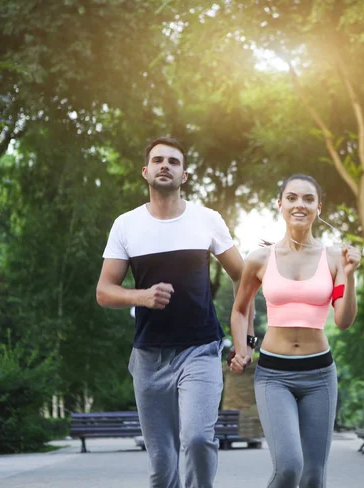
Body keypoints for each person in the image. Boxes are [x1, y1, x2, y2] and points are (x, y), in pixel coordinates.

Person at [96, 136, 251, 488]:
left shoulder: (206, 219)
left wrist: (246, 339)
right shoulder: (126, 225)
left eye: (174, 161)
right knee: (162, 464)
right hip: (149, 356)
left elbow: (245, 278)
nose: (165, 165)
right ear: (146, 171)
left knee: (197, 439)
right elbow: (104, 292)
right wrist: (143, 296)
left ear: (184, 176)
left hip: (200, 349)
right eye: (158, 160)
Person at [229, 174, 360, 488]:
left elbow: (342, 320)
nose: (299, 204)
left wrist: (351, 275)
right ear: (280, 204)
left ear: (318, 208)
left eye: (307, 199)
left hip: (319, 375)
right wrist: (243, 348)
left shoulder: (335, 259)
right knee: (288, 467)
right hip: (275, 374)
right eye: (292, 197)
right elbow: (240, 308)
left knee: (313, 476)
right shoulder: (260, 258)